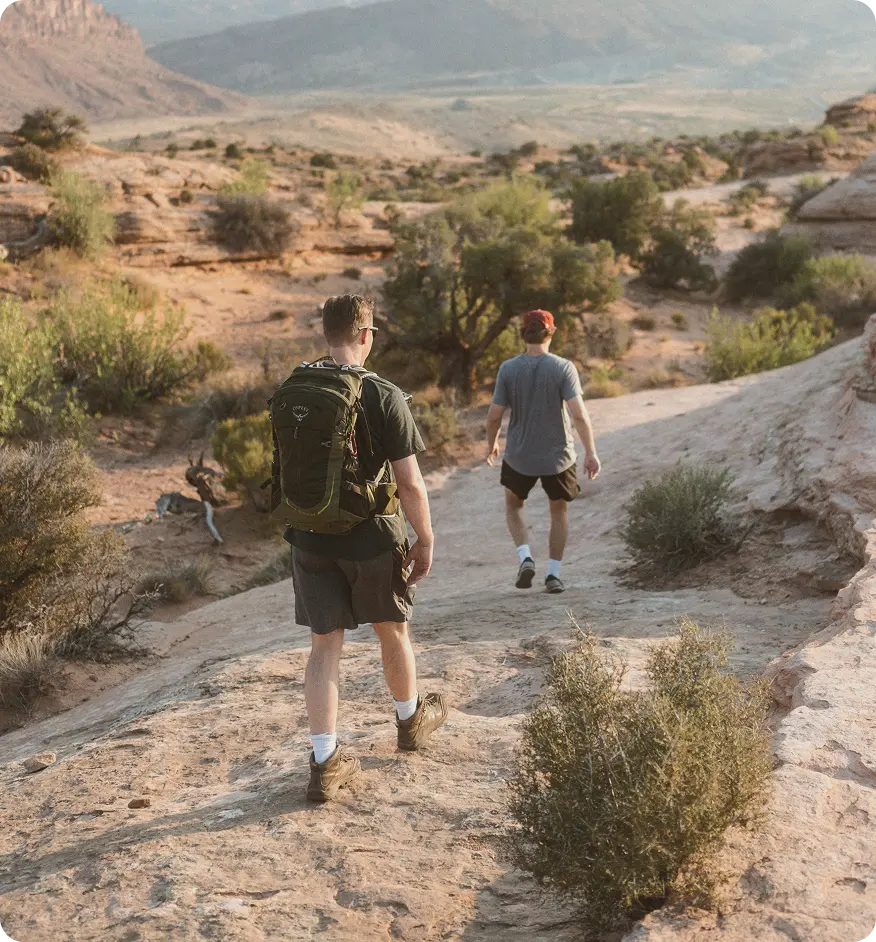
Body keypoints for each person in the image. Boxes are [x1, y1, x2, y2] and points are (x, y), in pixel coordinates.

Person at [281, 295, 447, 802]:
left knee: (323, 647)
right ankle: (409, 722)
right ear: (367, 335)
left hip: (308, 538)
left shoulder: (294, 387)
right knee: (392, 632)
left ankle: (325, 762)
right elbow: (411, 484)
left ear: (326, 335)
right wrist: (425, 538)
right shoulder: (384, 394)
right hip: (372, 538)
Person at [485, 309, 601, 594]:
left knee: (514, 506)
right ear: (552, 332)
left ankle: (525, 556)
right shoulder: (563, 368)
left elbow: (494, 416)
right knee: (558, 512)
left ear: (523, 333)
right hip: (558, 458)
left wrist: (491, 443)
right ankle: (553, 575)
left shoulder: (508, 369)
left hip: (519, 456)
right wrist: (591, 452)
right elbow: (579, 415)